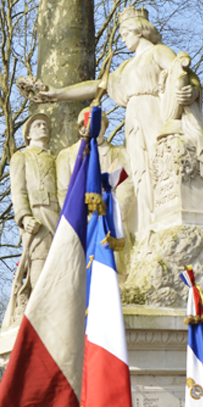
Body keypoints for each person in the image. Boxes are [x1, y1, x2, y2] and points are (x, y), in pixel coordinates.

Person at [35, 6, 203, 239]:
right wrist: (57, 94)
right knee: (139, 172)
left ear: (139, 30)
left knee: (157, 164)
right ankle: (147, 227)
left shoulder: (157, 52)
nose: (122, 38)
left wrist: (192, 91)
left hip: (154, 114)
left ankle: (162, 220)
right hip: (134, 122)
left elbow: (181, 73)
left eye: (125, 33)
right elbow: (97, 86)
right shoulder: (124, 68)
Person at [56, 107, 136, 279]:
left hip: (112, 222)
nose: (96, 128)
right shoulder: (67, 156)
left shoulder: (119, 153)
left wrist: (110, 213)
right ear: (80, 128)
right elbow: (64, 193)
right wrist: (84, 216)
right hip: (81, 224)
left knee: (116, 274)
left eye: (100, 124)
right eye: (91, 124)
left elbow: (127, 186)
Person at [2, 113, 60, 331]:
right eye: (37, 124)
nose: (43, 127)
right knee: (39, 260)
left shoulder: (56, 158)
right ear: (27, 134)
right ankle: (37, 310)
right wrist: (24, 217)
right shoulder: (21, 157)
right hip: (37, 216)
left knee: (58, 262)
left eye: (45, 124)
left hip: (58, 216)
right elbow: (17, 191)